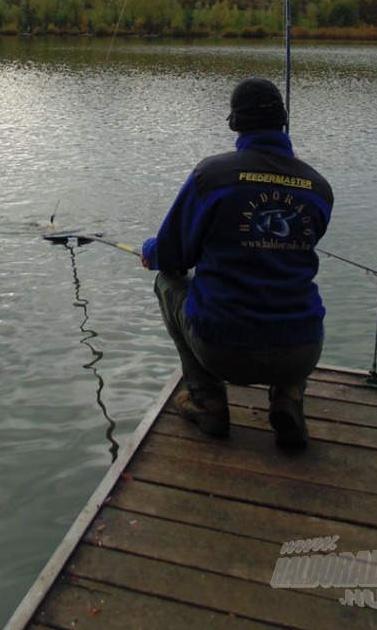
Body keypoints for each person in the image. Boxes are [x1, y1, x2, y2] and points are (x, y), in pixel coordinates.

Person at [141, 77, 334, 450]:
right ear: (283, 120)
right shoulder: (319, 187)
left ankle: (206, 400)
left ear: (235, 123)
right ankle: (288, 396)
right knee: (295, 291)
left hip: (222, 349)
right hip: (302, 349)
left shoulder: (211, 176)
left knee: (167, 281)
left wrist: (151, 251)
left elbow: (172, 255)